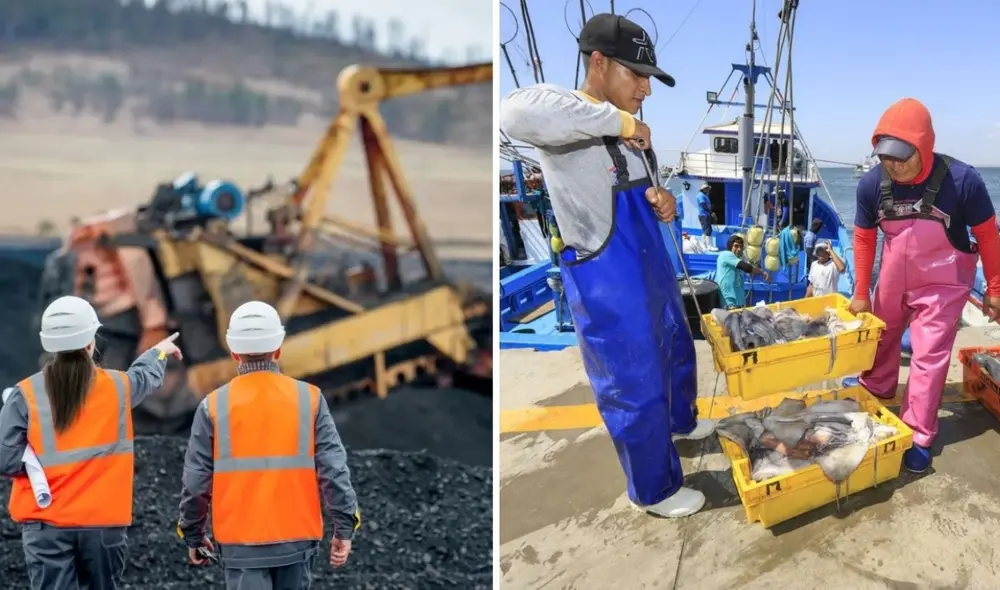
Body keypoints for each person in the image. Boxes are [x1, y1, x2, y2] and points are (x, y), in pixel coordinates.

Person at [499, 12, 715, 518]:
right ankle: (654, 491)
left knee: (675, 352)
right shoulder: (571, 117)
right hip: (609, 281)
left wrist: (664, 202)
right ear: (598, 63)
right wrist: (621, 122)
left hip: (651, 272)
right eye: (637, 75)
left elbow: (644, 192)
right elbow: (513, 114)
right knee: (633, 381)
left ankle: (680, 423)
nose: (646, 89)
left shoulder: (634, 137)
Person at [844, 97, 1000, 473]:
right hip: (893, 279)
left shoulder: (963, 180)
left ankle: (918, 434)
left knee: (928, 357)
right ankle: (878, 386)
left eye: (903, 157)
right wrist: (862, 292)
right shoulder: (871, 184)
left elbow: (988, 234)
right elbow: (864, 237)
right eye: (886, 157)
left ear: (925, 145)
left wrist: (995, 288)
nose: (894, 166)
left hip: (944, 282)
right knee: (881, 337)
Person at [0, 295, 182, 590]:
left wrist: (37, 463)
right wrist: (158, 352)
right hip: (103, 525)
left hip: (46, 525)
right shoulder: (118, 387)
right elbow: (145, 376)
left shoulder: (25, 394)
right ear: (90, 343)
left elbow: (6, 461)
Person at [177, 301, 360, 589]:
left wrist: (193, 534)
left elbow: (196, 482)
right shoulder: (309, 399)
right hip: (297, 541)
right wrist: (344, 526)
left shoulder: (213, 406)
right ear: (278, 349)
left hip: (240, 545)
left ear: (233, 352)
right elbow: (333, 470)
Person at [717, 234, 769, 308]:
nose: (739, 249)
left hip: (739, 302)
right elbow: (747, 268)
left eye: (741, 247)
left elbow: (748, 267)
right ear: (730, 246)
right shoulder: (726, 255)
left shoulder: (737, 259)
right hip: (729, 301)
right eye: (736, 246)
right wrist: (761, 272)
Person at [696, 182, 717, 250]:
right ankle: (709, 246)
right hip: (704, 215)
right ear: (704, 189)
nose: (708, 190)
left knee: (706, 230)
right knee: (708, 230)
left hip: (706, 215)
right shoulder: (700, 195)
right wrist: (710, 212)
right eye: (707, 188)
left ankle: (704, 245)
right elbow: (703, 204)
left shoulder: (704, 195)